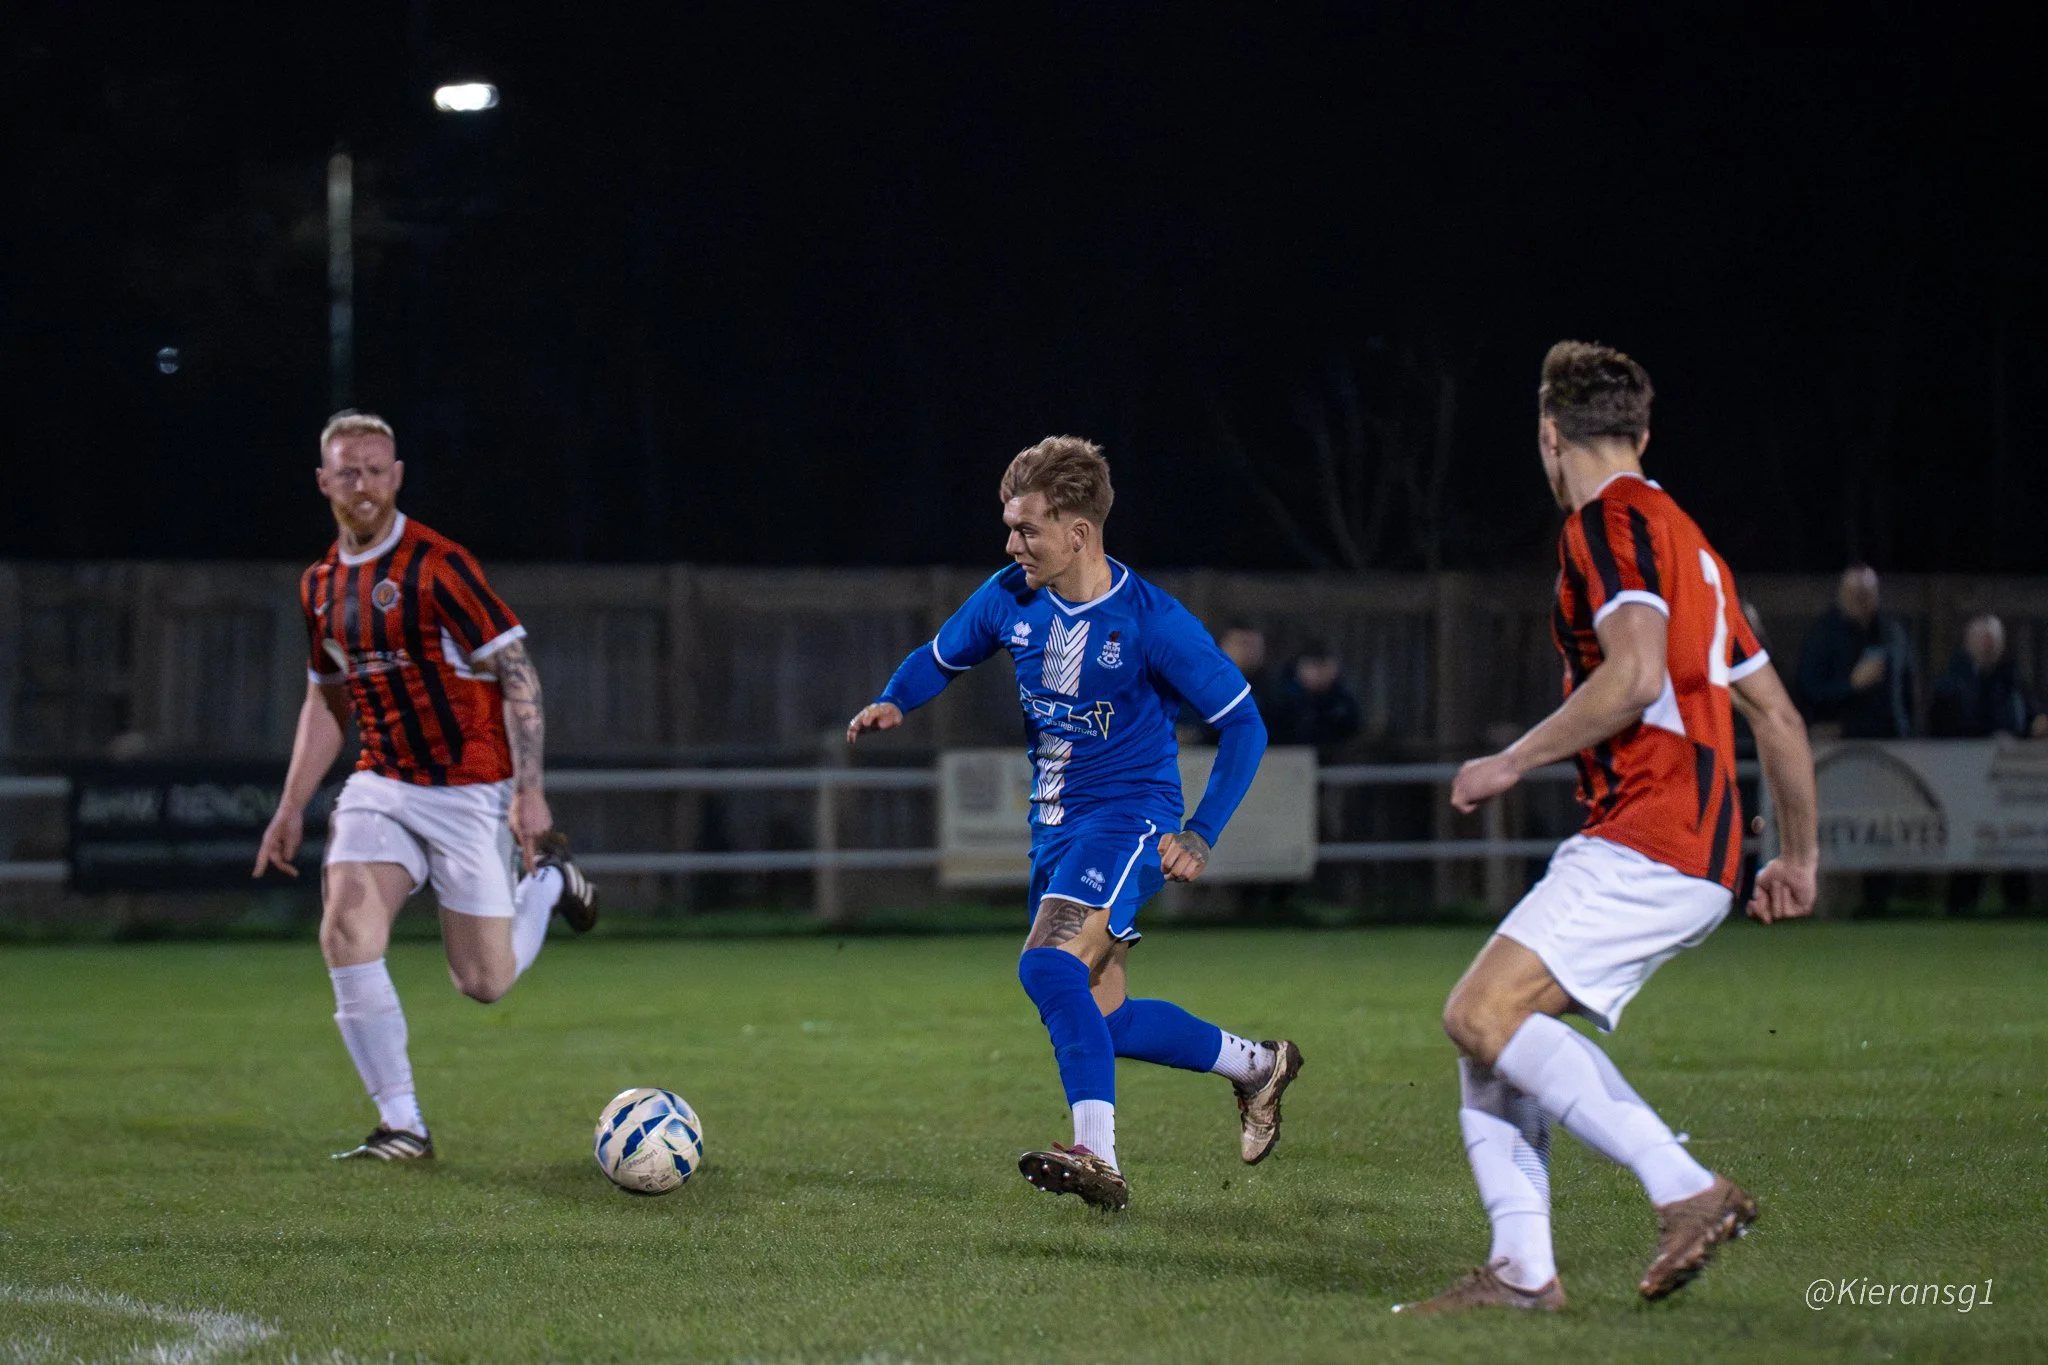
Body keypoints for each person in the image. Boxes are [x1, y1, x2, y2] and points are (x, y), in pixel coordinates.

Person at [1396, 343, 1818, 1315]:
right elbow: (1780, 719)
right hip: (1688, 847)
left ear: (1548, 436)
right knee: (1493, 1030)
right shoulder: (1694, 548)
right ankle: (1520, 1271)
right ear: (1640, 430)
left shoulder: (1608, 522)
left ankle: (1686, 1190)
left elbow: (1629, 677)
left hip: (1651, 829)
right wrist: (1795, 859)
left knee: (1478, 1014)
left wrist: (1510, 759)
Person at [847, 436, 1303, 1211]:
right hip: (1055, 830)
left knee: (1046, 966)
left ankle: (1098, 1154)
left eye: (1026, 528)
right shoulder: (1009, 598)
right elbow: (939, 655)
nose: (1010, 542)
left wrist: (1201, 830)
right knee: (1107, 1017)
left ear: (1078, 532)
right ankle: (1257, 1065)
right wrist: (897, 697)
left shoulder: (1153, 622)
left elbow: (1245, 724)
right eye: (1009, 524)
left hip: (1129, 822)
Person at [253, 411, 597, 1161]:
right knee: (345, 926)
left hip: (470, 785)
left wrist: (528, 790)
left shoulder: (437, 565)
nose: (365, 485)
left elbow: (518, 672)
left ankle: (545, 886)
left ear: (397, 475)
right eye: (349, 471)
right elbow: (327, 700)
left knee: (484, 981)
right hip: (382, 781)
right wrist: (289, 805)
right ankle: (402, 1123)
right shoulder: (319, 586)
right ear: (324, 482)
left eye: (378, 469)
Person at [1931, 614, 2045, 915]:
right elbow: (1943, 725)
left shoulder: (2013, 681)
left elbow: (2029, 714)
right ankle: (1961, 904)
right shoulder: (1951, 682)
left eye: (1994, 641)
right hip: (1966, 779)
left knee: (2014, 842)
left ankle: (2018, 905)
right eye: (1984, 640)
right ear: (1969, 643)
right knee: (1969, 841)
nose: (1989, 647)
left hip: (2008, 781)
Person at [1796, 565, 1915, 740]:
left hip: (1888, 740)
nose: (1861, 601)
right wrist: (1851, 686)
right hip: (1838, 740)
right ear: (1841, 594)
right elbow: (1807, 691)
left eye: (1866, 594)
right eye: (1855, 594)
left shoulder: (1891, 634)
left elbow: (1905, 691)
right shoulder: (1822, 636)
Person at [1266, 639, 1363, 753]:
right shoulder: (1280, 701)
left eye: (1325, 666)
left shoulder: (1344, 703)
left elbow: (1353, 736)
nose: (1319, 673)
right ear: (1299, 668)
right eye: (1312, 666)